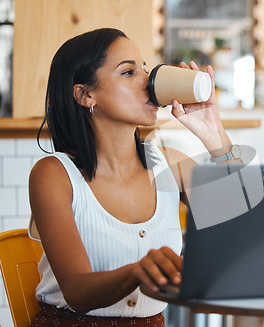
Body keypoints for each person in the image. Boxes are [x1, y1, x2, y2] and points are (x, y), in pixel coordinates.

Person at [28, 27, 242, 326]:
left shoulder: (170, 163)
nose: (148, 81)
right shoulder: (54, 174)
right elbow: (77, 291)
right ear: (86, 94)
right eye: (129, 72)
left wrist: (213, 131)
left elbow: (245, 222)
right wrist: (135, 271)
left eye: (144, 68)